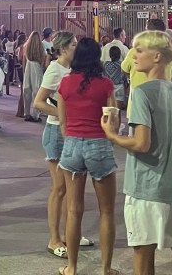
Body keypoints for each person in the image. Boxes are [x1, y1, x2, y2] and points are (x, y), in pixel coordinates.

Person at [101, 30, 172, 275]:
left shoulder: (142, 93)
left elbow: (141, 143)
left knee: (143, 253)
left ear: (157, 57)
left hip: (146, 187)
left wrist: (112, 135)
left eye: (139, 50)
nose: (134, 56)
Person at [55, 37, 118, 275]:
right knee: (107, 211)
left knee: (73, 210)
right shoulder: (106, 84)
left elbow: (62, 122)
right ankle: (106, 268)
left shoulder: (65, 83)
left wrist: (72, 137)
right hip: (99, 145)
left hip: (72, 144)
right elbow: (113, 121)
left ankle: (71, 267)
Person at [32, 31, 95, 260]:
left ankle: (71, 234)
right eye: (74, 44)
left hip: (73, 132)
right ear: (63, 48)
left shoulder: (75, 70)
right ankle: (54, 239)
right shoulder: (54, 70)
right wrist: (63, 114)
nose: (76, 47)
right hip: (55, 133)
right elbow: (38, 102)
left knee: (73, 188)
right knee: (59, 188)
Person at [22, 31, 46, 123]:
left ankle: (26, 113)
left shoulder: (26, 46)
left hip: (28, 67)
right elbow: (43, 60)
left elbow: (23, 60)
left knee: (27, 90)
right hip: (37, 68)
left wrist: (24, 72)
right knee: (37, 92)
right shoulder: (41, 46)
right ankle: (36, 115)